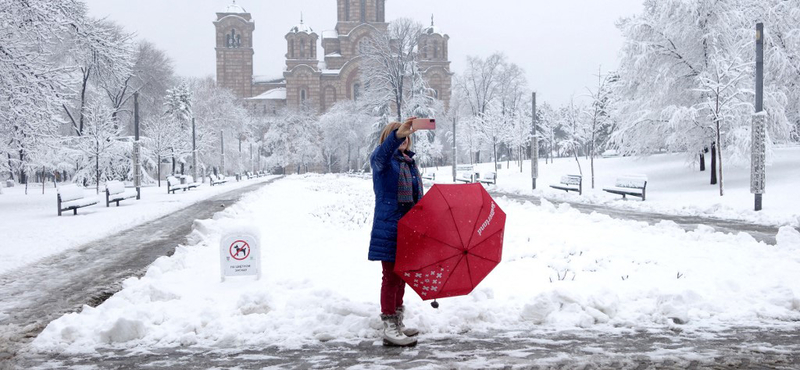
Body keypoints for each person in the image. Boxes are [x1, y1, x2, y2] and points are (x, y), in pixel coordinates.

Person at [368, 117, 424, 347]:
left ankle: (397, 321)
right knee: (390, 276)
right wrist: (396, 135)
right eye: (398, 134)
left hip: (408, 227)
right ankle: (389, 324)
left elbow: (415, 198)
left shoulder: (409, 163)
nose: (404, 138)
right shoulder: (382, 162)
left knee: (402, 276)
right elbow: (381, 154)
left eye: (406, 135)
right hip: (389, 227)